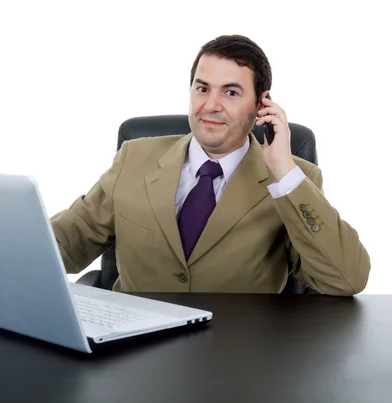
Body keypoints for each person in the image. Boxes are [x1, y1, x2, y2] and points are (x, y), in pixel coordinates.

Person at [50, 34, 370, 296]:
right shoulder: (134, 159)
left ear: (261, 105)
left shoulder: (292, 179)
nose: (211, 106)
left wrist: (284, 172)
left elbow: (346, 278)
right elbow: (67, 242)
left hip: (238, 357)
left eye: (231, 92)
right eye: (202, 88)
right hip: (134, 353)